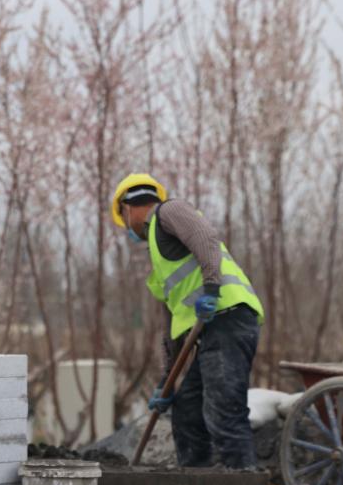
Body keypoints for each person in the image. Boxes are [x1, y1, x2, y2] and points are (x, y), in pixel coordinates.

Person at [111, 173, 265, 469]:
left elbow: (205, 238)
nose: (127, 230)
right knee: (187, 415)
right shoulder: (160, 261)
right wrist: (165, 384)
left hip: (228, 318)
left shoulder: (169, 211)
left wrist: (211, 287)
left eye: (123, 221)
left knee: (224, 414)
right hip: (211, 330)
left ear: (127, 209)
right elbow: (174, 328)